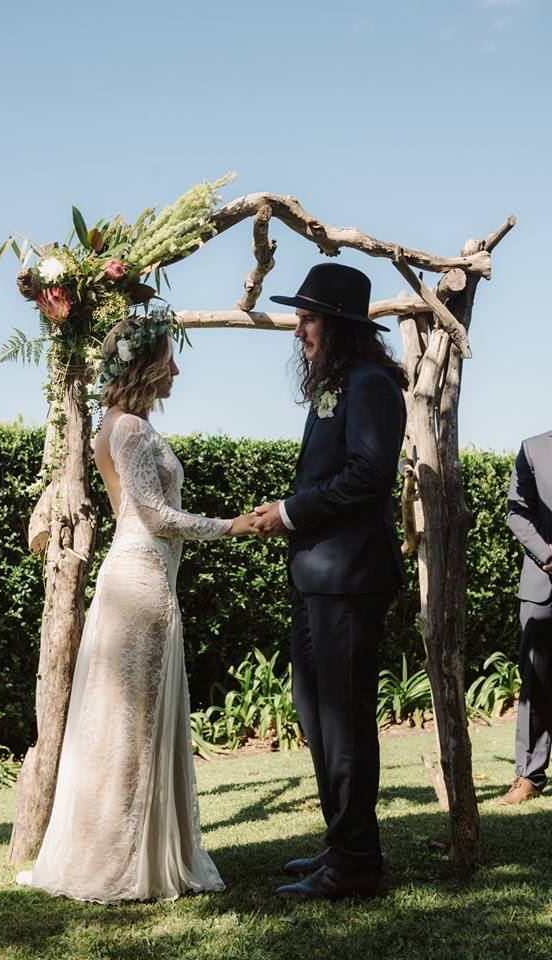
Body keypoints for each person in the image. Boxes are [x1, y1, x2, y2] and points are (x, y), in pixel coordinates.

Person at [17, 312, 255, 902]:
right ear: (146, 366)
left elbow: (130, 511)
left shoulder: (116, 425)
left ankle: (130, 848)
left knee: (125, 720)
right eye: (170, 359)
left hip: (140, 574)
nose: (177, 370)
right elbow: (152, 515)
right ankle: (120, 860)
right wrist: (231, 525)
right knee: (132, 722)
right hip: (140, 582)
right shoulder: (130, 430)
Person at [251, 263, 407, 901]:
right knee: (316, 716)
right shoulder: (338, 383)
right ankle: (343, 843)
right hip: (318, 577)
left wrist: (289, 513)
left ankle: (357, 865)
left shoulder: (371, 384)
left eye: (308, 318)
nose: (299, 331)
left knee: (344, 723)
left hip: (350, 577)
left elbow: (370, 475)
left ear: (341, 326)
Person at [500, 431, 552, 805]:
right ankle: (530, 775)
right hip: (543, 585)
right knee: (536, 682)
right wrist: (548, 555)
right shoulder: (533, 449)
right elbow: (516, 511)